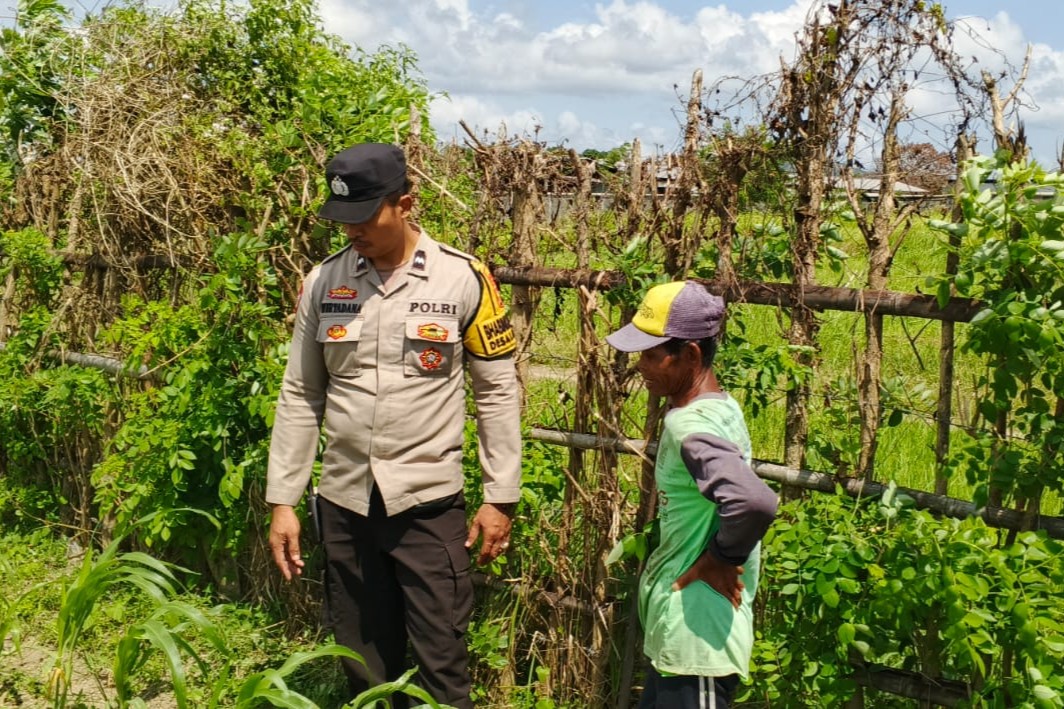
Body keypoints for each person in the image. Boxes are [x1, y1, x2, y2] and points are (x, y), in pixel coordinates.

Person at [265, 143, 522, 708]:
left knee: (441, 666)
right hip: (345, 504)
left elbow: (498, 391)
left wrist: (500, 494)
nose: (350, 231)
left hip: (426, 506)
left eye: (363, 217)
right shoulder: (323, 282)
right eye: (341, 220)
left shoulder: (463, 279)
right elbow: (302, 393)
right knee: (364, 662)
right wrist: (283, 499)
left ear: (405, 203)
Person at [606, 281, 779, 709]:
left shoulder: (690, 426)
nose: (641, 366)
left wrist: (722, 558)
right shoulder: (717, 406)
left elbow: (754, 501)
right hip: (682, 635)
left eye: (651, 355)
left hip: (698, 636)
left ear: (691, 355)